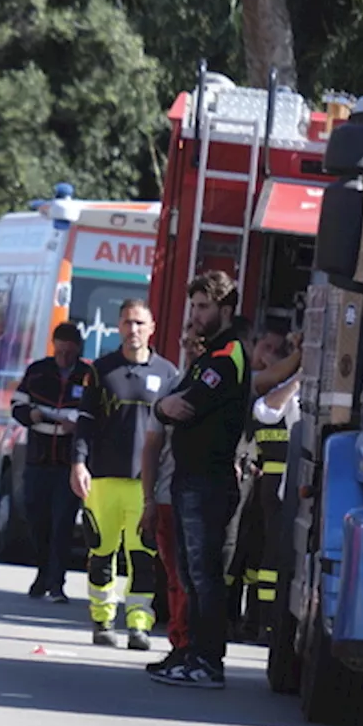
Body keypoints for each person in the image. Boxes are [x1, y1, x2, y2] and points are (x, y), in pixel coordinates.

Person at [151, 270, 251, 689]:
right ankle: (191, 654)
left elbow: (185, 406)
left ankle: (208, 662)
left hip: (207, 482)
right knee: (191, 576)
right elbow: (167, 407)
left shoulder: (227, 357)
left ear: (225, 309)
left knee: (205, 576)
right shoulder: (209, 355)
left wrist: (164, 406)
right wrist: (162, 405)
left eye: (204, 307)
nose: (195, 315)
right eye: (193, 306)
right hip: (191, 479)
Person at [70, 299, 180, 650]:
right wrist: (78, 463)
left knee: (143, 555)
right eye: (127, 323)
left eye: (139, 323)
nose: (133, 330)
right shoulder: (101, 370)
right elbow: (84, 422)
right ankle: (102, 620)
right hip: (102, 479)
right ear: (119, 327)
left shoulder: (168, 374)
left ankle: (138, 625)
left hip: (144, 483)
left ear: (151, 328)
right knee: (101, 552)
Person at [13, 321, 95, 604]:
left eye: (69, 353)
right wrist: (30, 415)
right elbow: (17, 405)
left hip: (69, 462)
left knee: (62, 523)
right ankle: (42, 571)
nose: (64, 358)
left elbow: (95, 414)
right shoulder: (38, 372)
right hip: (38, 458)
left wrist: (79, 428)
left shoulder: (88, 376)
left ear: (78, 351)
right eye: (59, 352)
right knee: (36, 519)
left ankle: (57, 583)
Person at [229, 326, 301, 643]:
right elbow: (267, 412)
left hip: (291, 483)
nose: (269, 355)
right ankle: (258, 621)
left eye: (277, 349)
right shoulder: (283, 388)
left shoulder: (303, 388)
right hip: (270, 483)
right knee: (260, 553)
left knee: (277, 555)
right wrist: (297, 378)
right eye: (265, 347)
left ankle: (268, 621)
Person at [140, 321, 201, 675]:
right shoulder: (171, 388)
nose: (191, 349)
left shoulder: (220, 386)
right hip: (167, 496)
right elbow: (151, 447)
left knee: (197, 578)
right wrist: (147, 500)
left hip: (200, 496)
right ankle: (180, 645)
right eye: (186, 342)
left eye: (198, 344)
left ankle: (195, 647)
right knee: (176, 577)